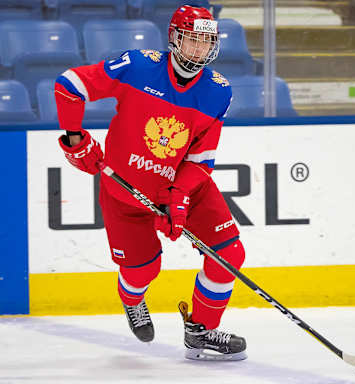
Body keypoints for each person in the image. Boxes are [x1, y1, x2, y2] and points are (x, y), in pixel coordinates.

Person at [54, 5, 247, 361]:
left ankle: (200, 332)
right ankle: (132, 300)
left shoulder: (218, 92)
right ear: (175, 38)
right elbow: (70, 85)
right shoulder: (138, 66)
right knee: (143, 270)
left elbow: (201, 159)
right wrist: (74, 138)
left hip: (185, 186)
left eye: (207, 43)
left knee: (229, 254)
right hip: (127, 191)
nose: (200, 50)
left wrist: (180, 197)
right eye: (192, 40)